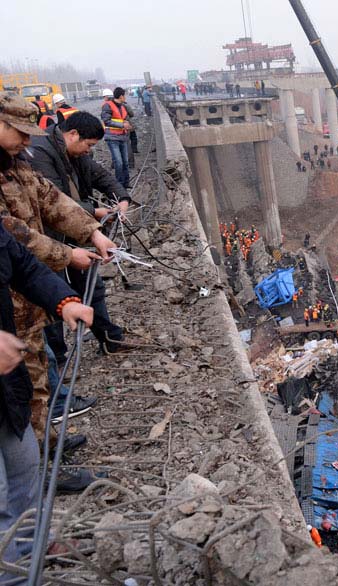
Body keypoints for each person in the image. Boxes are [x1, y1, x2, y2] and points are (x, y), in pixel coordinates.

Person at [0, 93, 116, 443]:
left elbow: (52, 201)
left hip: (29, 294)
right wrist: (67, 254)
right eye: (18, 131)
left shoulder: (16, 165)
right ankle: (35, 464)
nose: (26, 139)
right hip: (8, 300)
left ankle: (45, 445)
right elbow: (13, 234)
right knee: (23, 381)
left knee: (37, 373)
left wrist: (93, 233)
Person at [0, 222, 94, 579]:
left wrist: (63, 300)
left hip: (6, 389)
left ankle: (31, 551)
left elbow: (21, 263)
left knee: (25, 470)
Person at [27, 111, 133, 357]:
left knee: (90, 284)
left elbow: (100, 175)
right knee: (51, 292)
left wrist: (123, 199)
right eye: (89, 145)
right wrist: (95, 212)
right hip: (46, 235)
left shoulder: (75, 153)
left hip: (74, 228)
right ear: (73, 134)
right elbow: (55, 201)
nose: (89, 151)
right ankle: (59, 356)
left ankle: (109, 339)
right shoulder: (41, 153)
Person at [100, 87, 132, 188]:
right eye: (124, 95)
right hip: (112, 137)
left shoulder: (122, 107)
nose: (125, 97)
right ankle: (119, 185)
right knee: (118, 162)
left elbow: (125, 118)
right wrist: (122, 125)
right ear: (121, 96)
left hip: (122, 137)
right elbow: (106, 121)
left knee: (125, 162)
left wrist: (127, 124)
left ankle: (126, 183)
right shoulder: (108, 106)